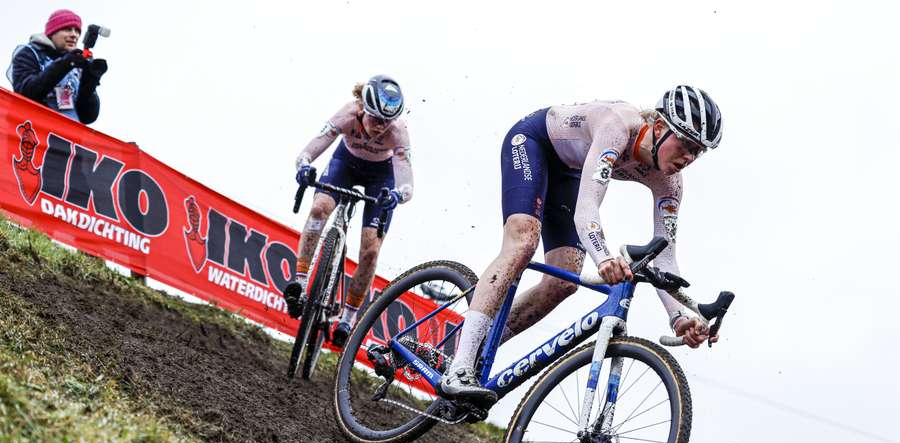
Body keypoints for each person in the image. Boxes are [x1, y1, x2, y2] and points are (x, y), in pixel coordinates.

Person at [438, 85, 723, 405]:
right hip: (534, 143)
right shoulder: (619, 127)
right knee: (523, 241)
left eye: (698, 151)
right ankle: (459, 367)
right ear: (658, 126)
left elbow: (665, 260)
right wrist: (603, 258)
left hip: (571, 171)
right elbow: (587, 208)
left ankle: (470, 350)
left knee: (563, 281)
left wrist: (680, 317)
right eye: (684, 143)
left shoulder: (670, 182)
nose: (688, 157)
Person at [285, 75, 413, 348]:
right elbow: (308, 151)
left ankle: (349, 318)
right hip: (345, 164)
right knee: (320, 208)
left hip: (381, 177)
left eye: (386, 121)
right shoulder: (347, 114)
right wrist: (304, 167)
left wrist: (397, 195)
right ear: (362, 108)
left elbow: (406, 182)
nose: (380, 127)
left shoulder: (398, 131)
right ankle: (300, 281)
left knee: (370, 250)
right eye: (376, 119)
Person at [7, 9, 107, 124]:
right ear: (52, 32)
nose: (74, 35)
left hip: (68, 136)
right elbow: (26, 94)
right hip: (37, 133)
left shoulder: (77, 64)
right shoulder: (30, 53)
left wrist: (90, 80)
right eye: (67, 29)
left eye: (77, 31)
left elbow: (88, 116)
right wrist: (65, 64)